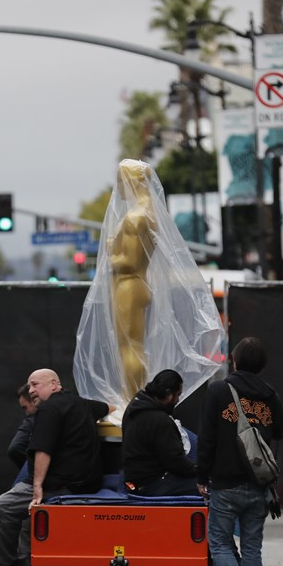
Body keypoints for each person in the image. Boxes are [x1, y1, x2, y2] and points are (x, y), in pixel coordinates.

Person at [0, 369, 112, 566]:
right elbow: (110, 408)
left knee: (2, 508)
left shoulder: (48, 409)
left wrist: (37, 489)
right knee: (25, 517)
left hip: (60, 485)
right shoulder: (82, 404)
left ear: (54, 385)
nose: (31, 390)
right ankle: (28, 557)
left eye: (35, 384)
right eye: (29, 385)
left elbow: (43, 450)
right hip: (87, 483)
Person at [197, 337, 283, 566]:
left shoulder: (219, 391)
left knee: (220, 543)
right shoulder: (270, 394)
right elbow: (281, 431)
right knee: (252, 547)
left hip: (225, 481)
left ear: (234, 361)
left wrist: (202, 476)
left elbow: (208, 437)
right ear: (261, 364)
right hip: (259, 483)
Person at [109, 159, 157, 401]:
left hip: (129, 284)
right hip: (138, 284)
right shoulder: (148, 214)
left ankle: (132, 398)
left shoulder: (134, 218)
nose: (117, 189)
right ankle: (133, 394)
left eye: (120, 182)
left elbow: (128, 261)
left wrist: (110, 254)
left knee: (129, 348)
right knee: (134, 347)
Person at [122, 369, 198, 496]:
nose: (178, 400)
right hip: (151, 484)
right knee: (211, 485)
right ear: (168, 394)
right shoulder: (161, 421)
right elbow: (176, 463)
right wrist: (201, 470)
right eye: (178, 395)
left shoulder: (133, 408)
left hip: (133, 480)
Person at [8, 383, 37, 485]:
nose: (26, 412)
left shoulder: (32, 420)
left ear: (34, 401)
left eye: (25, 407)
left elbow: (15, 448)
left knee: (6, 501)